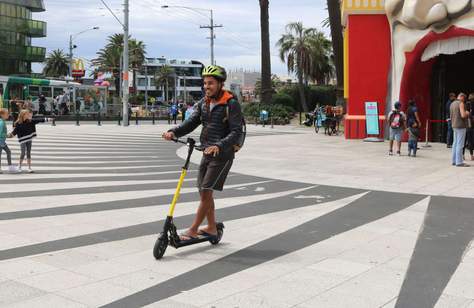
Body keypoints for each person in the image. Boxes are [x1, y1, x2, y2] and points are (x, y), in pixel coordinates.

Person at [162, 65, 243, 240]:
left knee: (206, 191)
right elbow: (190, 123)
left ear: (220, 84)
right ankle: (212, 227)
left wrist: (219, 145)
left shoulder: (231, 103)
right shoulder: (203, 103)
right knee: (203, 192)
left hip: (223, 155)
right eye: (205, 83)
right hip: (206, 152)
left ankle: (193, 229)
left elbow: (236, 131)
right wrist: (173, 132)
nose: (207, 87)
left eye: (211, 83)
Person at [450, 93, 470, 167]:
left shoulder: (452, 104)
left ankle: (454, 161)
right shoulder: (460, 103)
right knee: (460, 144)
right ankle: (459, 162)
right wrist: (467, 113)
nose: (464, 100)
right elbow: (463, 115)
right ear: (461, 97)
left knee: (455, 144)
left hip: (454, 125)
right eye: (464, 98)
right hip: (461, 126)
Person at [0, 109, 17, 174]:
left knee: (8, 152)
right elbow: (0, 133)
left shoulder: (2, 121)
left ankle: (10, 166)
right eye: (7, 114)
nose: (8, 115)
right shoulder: (1, 123)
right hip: (0, 142)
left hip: (2, 142)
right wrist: (7, 135)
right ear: (2, 115)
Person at [464, 94, 474, 161]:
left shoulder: (466, 104)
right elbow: (468, 114)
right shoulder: (469, 105)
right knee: (470, 140)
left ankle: (463, 155)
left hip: (466, 124)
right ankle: (471, 156)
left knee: (465, 141)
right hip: (470, 124)